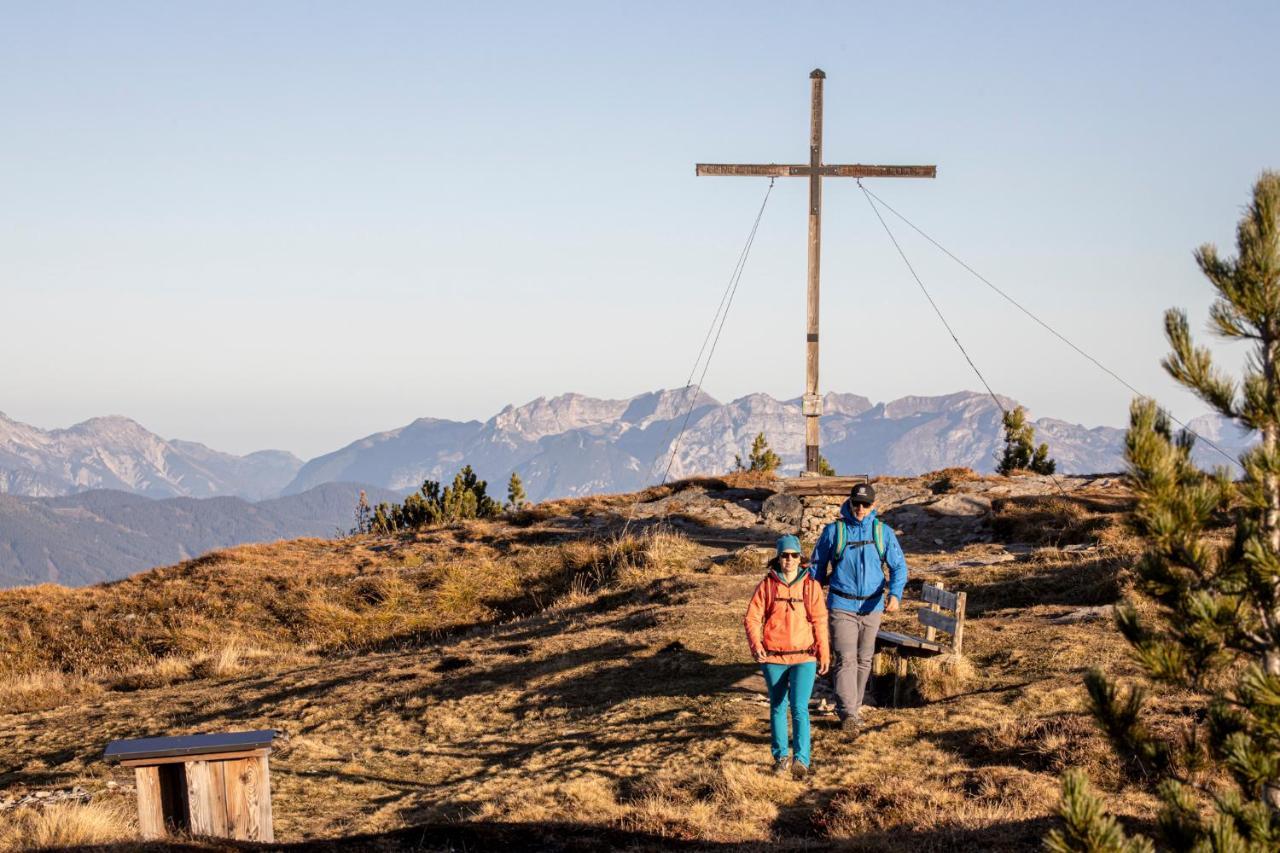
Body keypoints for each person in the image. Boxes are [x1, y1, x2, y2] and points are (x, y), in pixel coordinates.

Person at [809, 481, 908, 733]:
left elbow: (898, 567)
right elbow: (817, 567)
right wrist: (812, 597)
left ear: (874, 505)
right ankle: (848, 713)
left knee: (865, 659)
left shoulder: (882, 532)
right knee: (845, 658)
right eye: (856, 503)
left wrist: (895, 595)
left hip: (873, 606)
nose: (860, 509)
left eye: (865, 504)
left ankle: (854, 705)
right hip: (841, 604)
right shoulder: (835, 531)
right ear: (850, 503)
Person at [743, 534, 831, 779]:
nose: (789, 560)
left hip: (805, 657)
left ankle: (801, 760)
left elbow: (820, 621)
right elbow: (752, 617)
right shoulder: (767, 586)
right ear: (778, 557)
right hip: (774, 658)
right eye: (785, 555)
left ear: (800, 558)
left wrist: (824, 651)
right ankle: (781, 757)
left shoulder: (811, 586)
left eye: (794, 555)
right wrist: (756, 644)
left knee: (799, 707)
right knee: (778, 707)